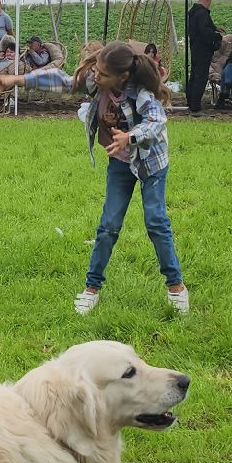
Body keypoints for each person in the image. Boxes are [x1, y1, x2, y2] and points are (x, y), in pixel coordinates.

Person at [74, 42, 187, 315]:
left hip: (151, 163)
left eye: (102, 73)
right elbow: (60, 82)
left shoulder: (142, 93)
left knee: (156, 221)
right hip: (120, 163)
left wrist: (129, 136)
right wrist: (17, 79)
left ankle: (176, 288)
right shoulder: (98, 84)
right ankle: (91, 288)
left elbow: (157, 121)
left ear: (121, 76)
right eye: (96, 70)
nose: (96, 75)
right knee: (108, 225)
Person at [184, 0, 223, 114]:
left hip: (195, 48)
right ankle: (195, 105)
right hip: (203, 50)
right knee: (200, 77)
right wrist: (217, 36)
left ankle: (190, 100)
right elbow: (205, 31)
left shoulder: (193, 12)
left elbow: (200, 27)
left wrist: (214, 27)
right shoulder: (202, 13)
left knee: (194, 75)